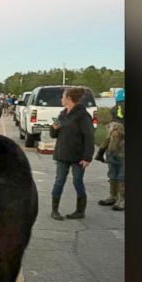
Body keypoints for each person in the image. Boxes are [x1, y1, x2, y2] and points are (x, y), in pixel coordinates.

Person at [49, 87, 96, 220]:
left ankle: (80, 211)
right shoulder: (63, 114)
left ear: (69, 99)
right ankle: (55, 210)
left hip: (78, 156)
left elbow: (89, 136)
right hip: (62, 154)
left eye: (63, 97)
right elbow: (54, 135)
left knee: (77, 181)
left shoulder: (82, 115)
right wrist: (54, 128)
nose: (61, 99)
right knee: (59, 181)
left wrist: (87, 157)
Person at [95, 88, 125, 210]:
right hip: (113, 151)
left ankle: (120, 200)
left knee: (121, 176)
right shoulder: (114, 119)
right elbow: (108, 138)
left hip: (120, 151)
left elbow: (108, 137)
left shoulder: (115, 116)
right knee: (114, 175)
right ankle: (114, 197)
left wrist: (100, 152)